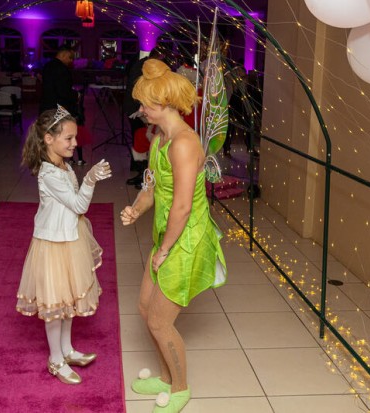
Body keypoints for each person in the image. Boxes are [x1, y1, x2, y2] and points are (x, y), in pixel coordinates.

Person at [120, 59, 227, 413]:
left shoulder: (183, 143)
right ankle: (166, 377)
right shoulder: (159, 140)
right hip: (166, 236)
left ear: (164, 103)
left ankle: (179, 389)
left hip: (185, 241)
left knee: (159, 320)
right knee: (144, 307)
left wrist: (164, 249)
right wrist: (136, 209)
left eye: (144, 104)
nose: (141, 110)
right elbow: (151, 188)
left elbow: (182, 207)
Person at [16, 105, 112, 385]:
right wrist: (90, 179)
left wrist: (85, 179)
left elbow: (74, 206)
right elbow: (79, 205)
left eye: (74, 137)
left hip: (70, 239)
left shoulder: (65, 166)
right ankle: (55, 359)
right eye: (68, 138)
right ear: (49, 139)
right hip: (53, 244)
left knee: (68, 299)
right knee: (55, 304)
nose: (74, 143)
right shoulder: (49, 174)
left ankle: (67, 350)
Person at [123, 46, 166, 188]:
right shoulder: (146, 67)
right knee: (143, 139)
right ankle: (144, 175)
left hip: (135, 107)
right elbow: (141, 89)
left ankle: (143, 174)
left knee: (140, 138)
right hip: (138, 108)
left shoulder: (141, 63)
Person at [40, 46, 85, 165]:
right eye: (70, 57)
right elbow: (63, 92)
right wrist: (76, 95)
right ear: (63, 55)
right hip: (59, 109)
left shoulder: (47, 66)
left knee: (49, 135)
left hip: (46, 107)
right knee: (59, 135)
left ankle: (47, 160)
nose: (71, 61)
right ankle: (56, 160)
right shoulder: (62, 69)